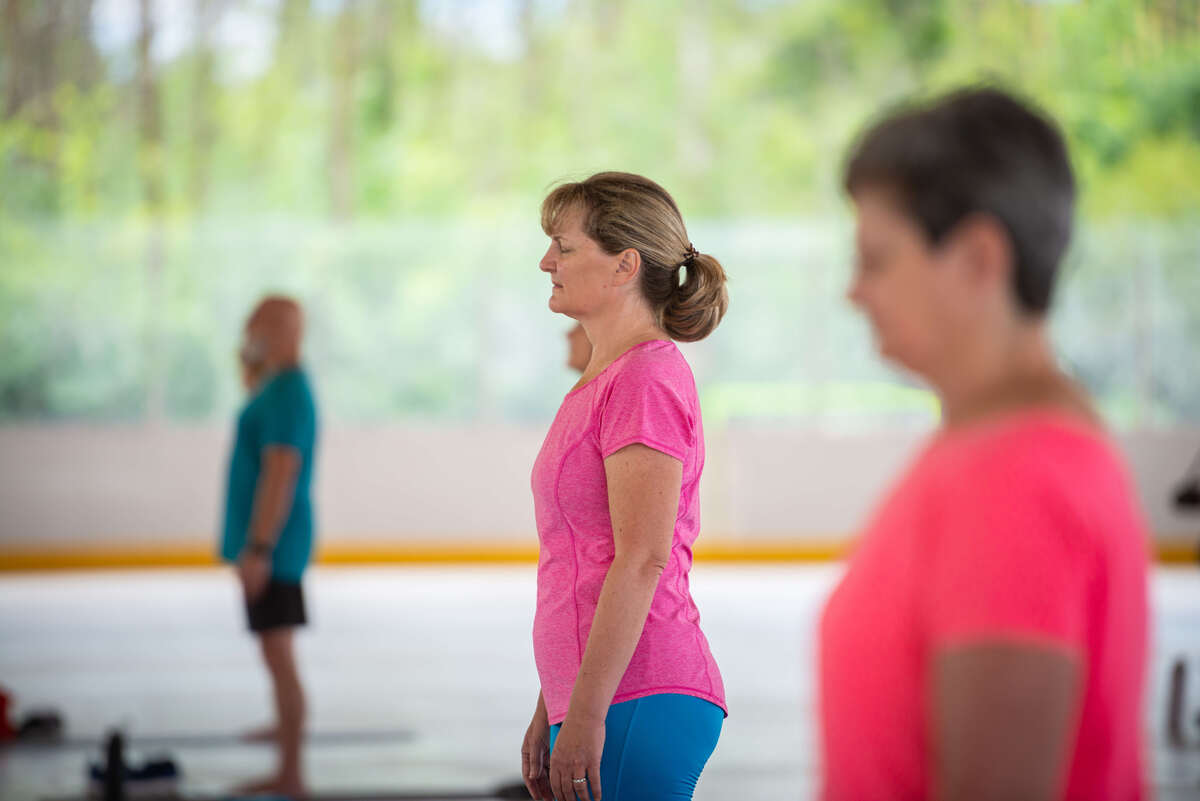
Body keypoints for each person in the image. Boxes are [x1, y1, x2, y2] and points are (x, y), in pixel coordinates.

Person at [819, 87, 1149, 801]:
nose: (855, 292)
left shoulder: (1013, 479)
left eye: (876, 260)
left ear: (978, 258)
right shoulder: (1009, 446)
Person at [522, 172, 729, 801]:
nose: (546, 262)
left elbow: (641, 558)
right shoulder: (603, 381)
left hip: (638, 694)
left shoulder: (645, 379)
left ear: (624, 266)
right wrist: (551, 704)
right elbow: (583, 566)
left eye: (565, 247)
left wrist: (585, 716)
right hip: (602, 695)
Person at [220, 295, 319, 797]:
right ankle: (284, 733)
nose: (249, 334)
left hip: (275, 547)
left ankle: (290, 773)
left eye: (256, 326)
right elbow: (249, 379)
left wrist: (259, 547)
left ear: (281, 330)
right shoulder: (276, 385)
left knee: (280, 657)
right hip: (270, 545)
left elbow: (281, 470)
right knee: (274, 653)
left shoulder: (287, 392)